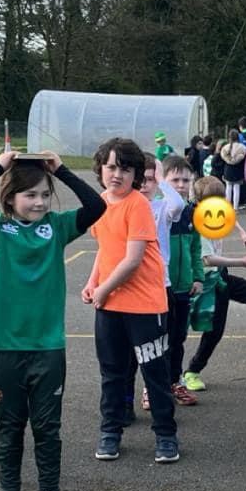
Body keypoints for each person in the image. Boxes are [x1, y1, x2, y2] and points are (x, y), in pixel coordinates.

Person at [0, 150, 105, 491]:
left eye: (44, 194)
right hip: (5, 347)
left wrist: (61, 170)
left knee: (47, 429)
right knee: (9, 429)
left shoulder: (57, 227)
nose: (39, 202)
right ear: (10, 199)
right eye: (30, 195)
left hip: (47, 348)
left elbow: (96, 206)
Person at [82, 137, 179, 464]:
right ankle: (110, 431)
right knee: (112, 372)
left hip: (144, 305)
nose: (117, 174)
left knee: (155, 373)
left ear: (136, 174)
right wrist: (93, 281)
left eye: (125, 169)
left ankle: (165, 434)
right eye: (111, 167)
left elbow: (133, 259)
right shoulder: (100, 203)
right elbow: (106, 249)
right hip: (110, 303)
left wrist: (104, 289)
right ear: (100, 169)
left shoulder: (137, 204)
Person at [129, 153, 194, 412]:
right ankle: (144, 389)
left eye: (150, 179)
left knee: (166, 341)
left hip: (160, 283)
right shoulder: (129, 206)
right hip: (134, 284)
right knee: (141, 345)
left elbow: (177, 203)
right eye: (141, 179)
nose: (145, 184)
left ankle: (164, 385)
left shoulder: (161, 207)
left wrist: (160, 175)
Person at [181, 178, 246, 391]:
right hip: (206, 282)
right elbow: (208, 260)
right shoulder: (197, 224)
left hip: (220, 276)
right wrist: (242, 262)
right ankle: (192, 372)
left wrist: (242, 231)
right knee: (212, 331)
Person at [161, 156, 204, 407]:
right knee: (160, 341)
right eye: (175, 180)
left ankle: (174, 381)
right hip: (161, 289)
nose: (181, 185)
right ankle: (153, 387)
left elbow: (196, 248)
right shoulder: (159, 212)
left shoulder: (192, 213)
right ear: (163, 182)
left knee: (178, 340)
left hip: (183, 288)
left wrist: (198, 276)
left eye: (186, 180)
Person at [220, 129, 246, 211]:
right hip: (238, 170)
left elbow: (223, 158)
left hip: (228, 170)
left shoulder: (225, 148)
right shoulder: (242, 148)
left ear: (229, 137)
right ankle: (235, 207)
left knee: (228, 188)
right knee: (236, 189)